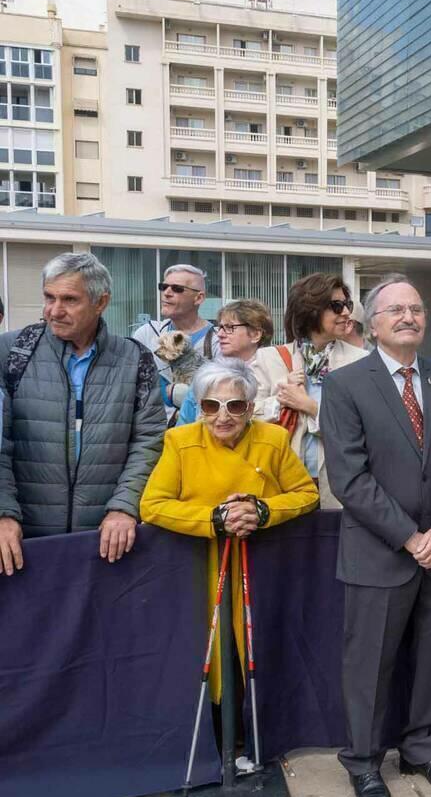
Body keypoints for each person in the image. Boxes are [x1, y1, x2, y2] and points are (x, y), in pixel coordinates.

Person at [321, 275, 431, 797]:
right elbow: (349, 478)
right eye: (395, 310)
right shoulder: (345, 386)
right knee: (369, 665)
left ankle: (420, 746)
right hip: (380, 552)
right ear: (372, 322)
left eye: (415, 308)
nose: (408, 317)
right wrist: (411, 537)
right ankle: (363, 760)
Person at [140, 359, 319, 721]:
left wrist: (263, 511)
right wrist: (214, 518)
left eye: (235, 406)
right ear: (200, 407)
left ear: (251, 408)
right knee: (207, 649)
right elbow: (152, 505)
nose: (223, 416)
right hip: (201, 566)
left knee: (258, 647)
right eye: (211, 405)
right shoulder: (180, 440)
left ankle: (259, 729)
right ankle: (216, 734)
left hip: (261, 564)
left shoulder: (273, 439)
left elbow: (306, 494)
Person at [0, 253, 166, 575]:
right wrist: (3, 513)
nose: (54, 310)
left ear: (101, 302)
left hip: (106, 542)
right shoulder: (11, 352)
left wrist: (124, 507)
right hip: (22, 542)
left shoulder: (134, 358)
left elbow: (149, 441)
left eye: (69, 300)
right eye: (49, 297)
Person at [253, 274, 367, 506]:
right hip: (281, 484)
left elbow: (365, 427)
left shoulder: (361, 361)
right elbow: (248, 418)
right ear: (311, 309)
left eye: (348, 305)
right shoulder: (269, 358)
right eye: (336, 306)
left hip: (341, 488)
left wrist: (310, 407)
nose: (346, 313)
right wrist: (281, 399)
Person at [132, 263, 217, 423]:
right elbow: (132, 386)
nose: (167, 293)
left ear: (199, 297)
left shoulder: (219, 340)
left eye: (177, 289)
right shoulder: (147, 333)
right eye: (163, 287)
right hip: (150, 432)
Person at [177, 299, 275, 425]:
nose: (220, 334)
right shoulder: (207, 375)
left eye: (229, 328)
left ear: (256, 334)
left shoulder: (275, 375)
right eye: (220, 327)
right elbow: (183, 427)